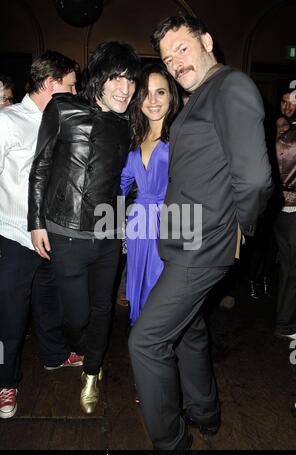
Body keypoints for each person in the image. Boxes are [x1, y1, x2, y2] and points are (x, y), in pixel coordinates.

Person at [128, 15, 273, 450]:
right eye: (168, 58)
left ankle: (172, 447)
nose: (175, 63)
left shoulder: (231, 87)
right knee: (189, 331)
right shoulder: (201, 97)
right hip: (181, 240)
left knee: (145, 342)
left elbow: (254, 179)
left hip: (202, 244)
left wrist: (239, 230)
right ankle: (206, 414)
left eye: (182, 49)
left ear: (207, 41)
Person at [27, 42, 141, 415]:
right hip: (66, 230)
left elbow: (130, 181)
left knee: (103, 308)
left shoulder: (130, 124)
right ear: (100, 80)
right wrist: (36, 222)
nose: (125, 88)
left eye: (130, 80)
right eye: (116, 78)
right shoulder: (63, 108)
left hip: (108, 232)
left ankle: (92, 370)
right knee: (76, 315)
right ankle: (82, 349)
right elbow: (41, 166)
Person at [0, 50, 79, 419]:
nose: (75, 91)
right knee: (10, 316)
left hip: (51, 234)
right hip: (12, 237)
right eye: (70, 84)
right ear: (51, 84)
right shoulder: (8, 121)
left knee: (49, 303)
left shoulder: (61, 120)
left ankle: (54, 355)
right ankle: (5, 381)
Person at [120, 63, 180, 325]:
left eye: (160, 92)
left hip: (171, 222)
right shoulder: (135, 134)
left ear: (172, 96)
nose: (152, 101)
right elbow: (120, 184)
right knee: (138, 288)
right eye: (145, 93)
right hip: (138, 224)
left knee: (164, 293)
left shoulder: (181, 134)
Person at [274, 125, 296, 340]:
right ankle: (286, 324)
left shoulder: (283, 138)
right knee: (292, 273)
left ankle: (283, 318)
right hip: (292, 214)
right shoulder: (289, 138)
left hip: (280, 213)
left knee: (287, 270)